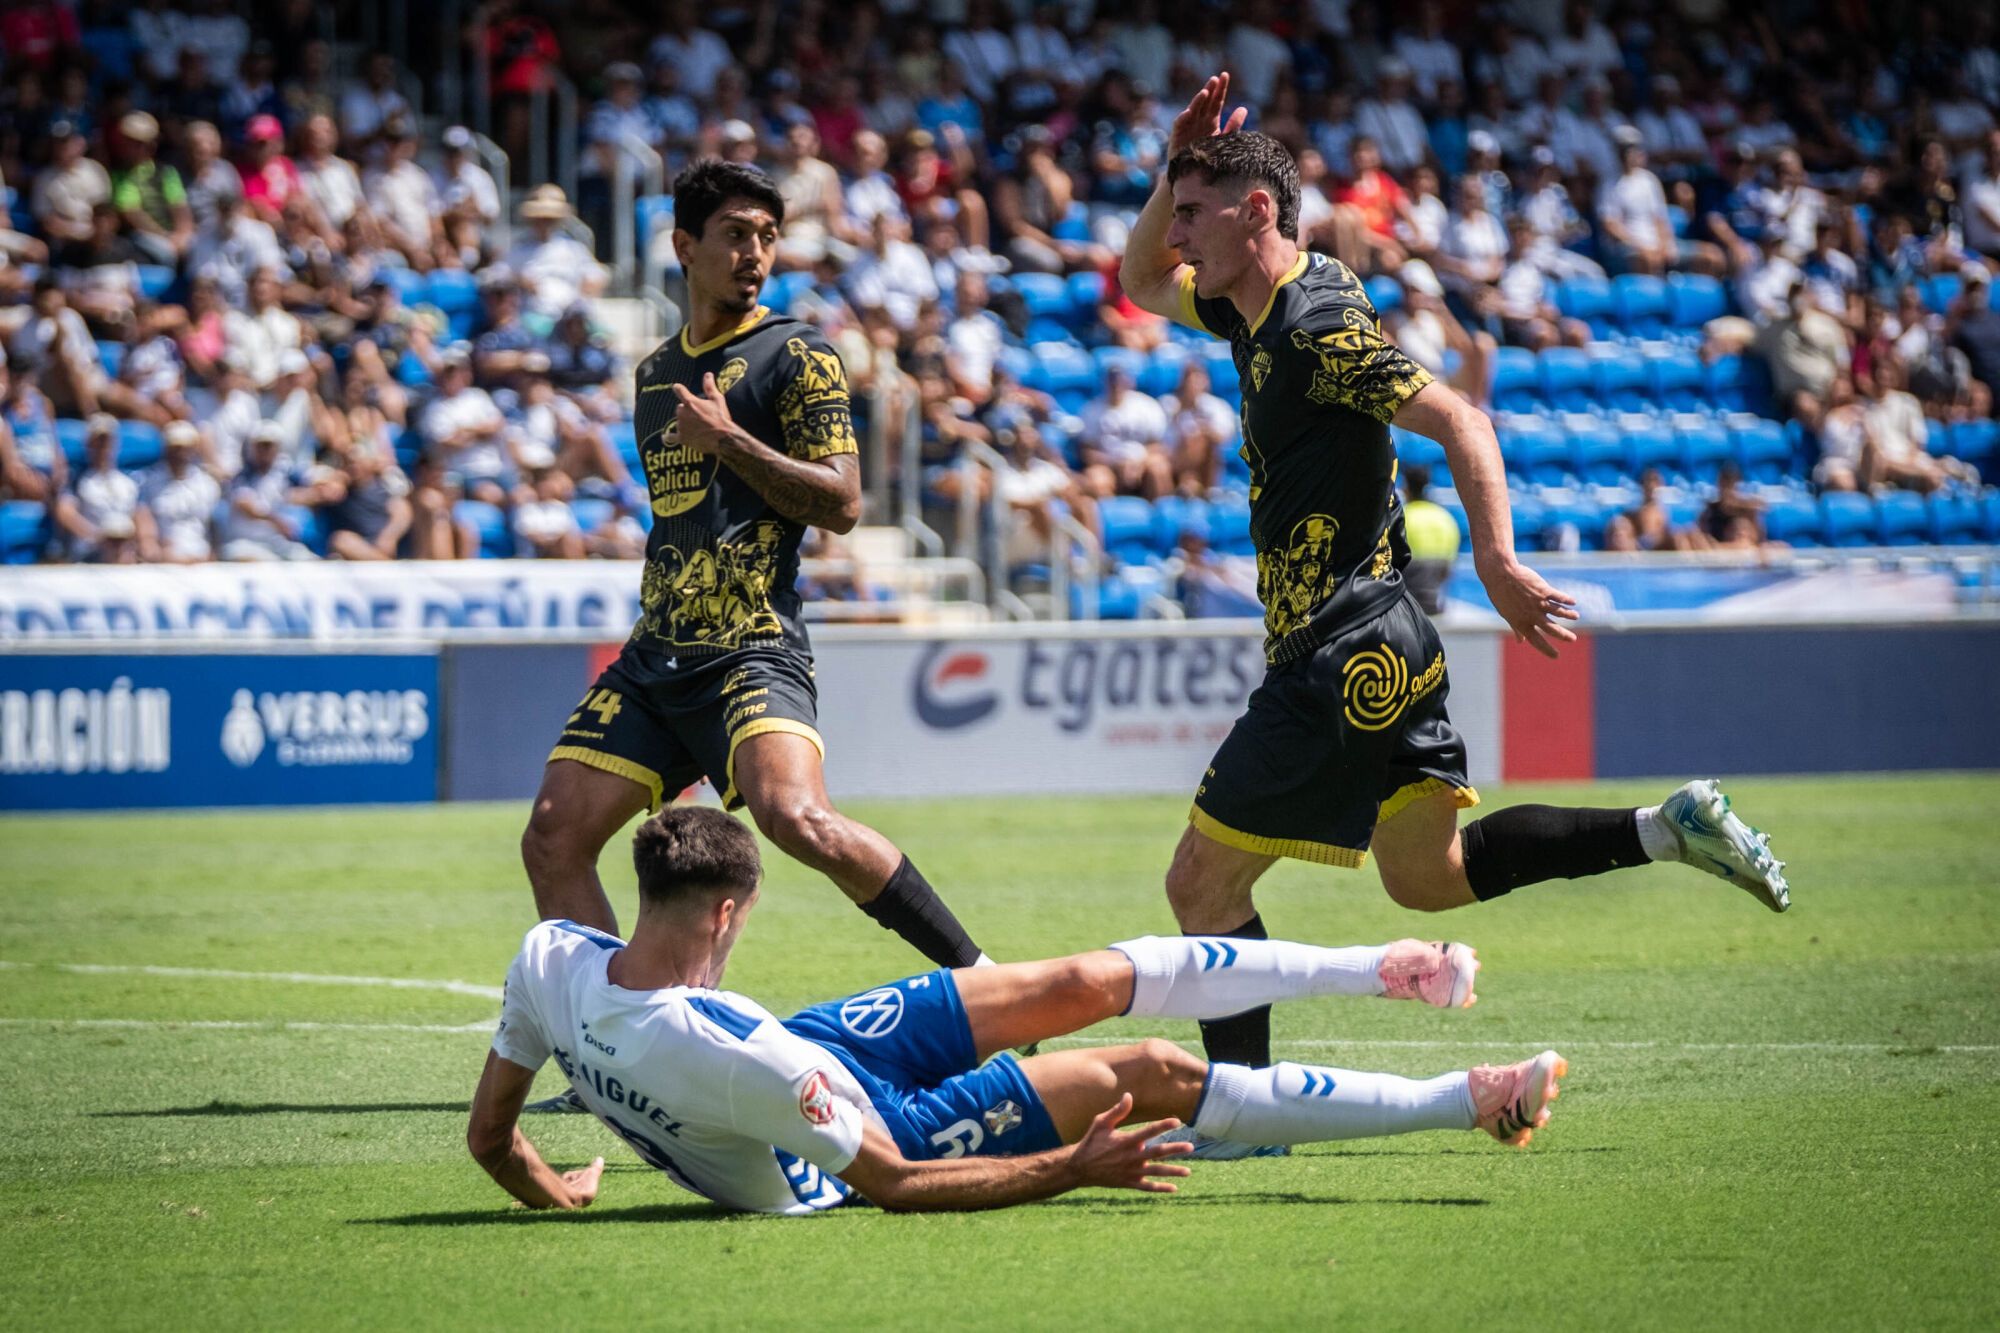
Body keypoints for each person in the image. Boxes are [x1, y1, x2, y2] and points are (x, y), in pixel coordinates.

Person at [1116, 76, 1789, 1152]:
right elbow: (1138, 275)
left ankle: (1244, 1110)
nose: (1178, 233)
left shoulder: (1316, 325)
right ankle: (1665, 829)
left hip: (1341, 644)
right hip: (1383, 639)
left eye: (1197, 211)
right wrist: (1170, 169)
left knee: (1199, 882)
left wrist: (1496, 560)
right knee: (1426, 880)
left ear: (1255, 215)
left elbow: (1461, 420)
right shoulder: (1258, 306)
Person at [469, 804, 1569, 1215]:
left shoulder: (551, 955)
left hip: (797, 1046)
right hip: (838, 1136)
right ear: (724, 912)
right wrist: (1065, 1168)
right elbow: (893, 1184)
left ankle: (1376, 967)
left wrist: (550, 1187)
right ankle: (1466, 1100)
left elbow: (488, 1136)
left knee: (1072, 982)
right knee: (1148, 1067)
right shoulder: (737, 1056)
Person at [522, 159, 993, 991]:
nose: (755, 253)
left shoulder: (800, 354)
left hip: (751, 647)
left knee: (800, 818)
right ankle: (617, 1042)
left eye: (767, 237)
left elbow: (844, 503)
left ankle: (986, 980)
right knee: (553, 836)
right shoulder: (652, 375)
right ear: (684, 246)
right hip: (657, 656)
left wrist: (732, 438)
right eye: (736, 235)